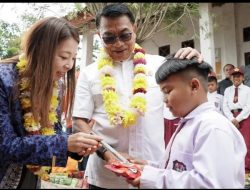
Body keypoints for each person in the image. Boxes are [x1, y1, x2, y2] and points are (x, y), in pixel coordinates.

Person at [72, 3, 204, 189]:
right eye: (109, 38)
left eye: (125, 35)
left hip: (152, 173)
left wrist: (194, 60)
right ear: (99, 35)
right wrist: (108, 155)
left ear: (134, 29)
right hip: (105, 177)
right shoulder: (89, 73)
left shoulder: (160, 65)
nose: (118, 43)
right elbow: (79, 121)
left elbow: (191, 95)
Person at [0, 17, 103, 189]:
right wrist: (65, 143)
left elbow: (52, 132)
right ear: (41, 50)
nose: (69, 65)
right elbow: (6, 146)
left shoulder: (55, 85)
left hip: (31, 179)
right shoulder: (4, 79)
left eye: (73, 58)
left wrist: (76, 146)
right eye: (64, 56)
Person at [127, 55, 247, 188]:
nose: (164, 99)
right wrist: (148, 167)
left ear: (194, 86)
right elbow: (178, 167)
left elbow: (209, 184)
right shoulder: (190, 122)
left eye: (167, 91)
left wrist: (153, 178)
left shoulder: (213, 128)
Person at [223, 67, 250, 174]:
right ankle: (235, 169)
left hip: (244, 117)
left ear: (243, 78)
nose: (236, 78)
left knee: (246, 142)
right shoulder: (227, 90)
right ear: (231, 78)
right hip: (231, 118)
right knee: (233, 143)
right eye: (234, 76)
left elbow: (248, 106)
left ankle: (247, 169)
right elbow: (224, 106)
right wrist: (231, 119)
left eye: (238, 76)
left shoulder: (248, 90)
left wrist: (238, 119)